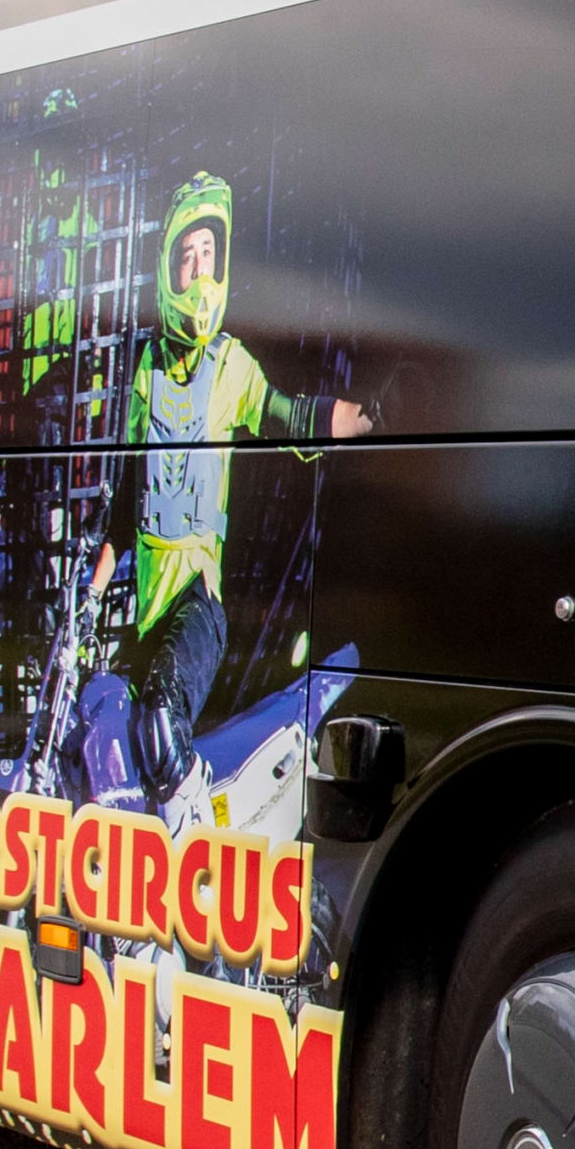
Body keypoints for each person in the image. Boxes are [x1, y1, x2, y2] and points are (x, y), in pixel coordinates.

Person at [95, 175, 372, 823]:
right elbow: (126, 498)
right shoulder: (144, 373)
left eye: (208, 258)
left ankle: (195, 839)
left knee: (163, 723)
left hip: (197, 598)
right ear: (168, 266)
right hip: (147, 611)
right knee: (119, 748)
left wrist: (353, 419)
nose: (197, 273)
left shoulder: (229, 365)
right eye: (185, 257)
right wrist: (94, 585)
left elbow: (283, 415)